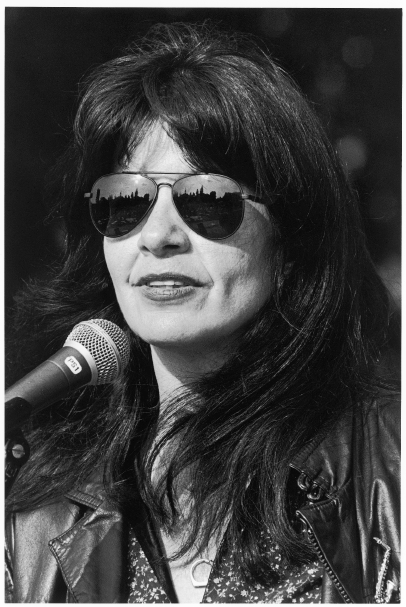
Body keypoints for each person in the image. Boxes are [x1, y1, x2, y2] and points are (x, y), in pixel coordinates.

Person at [5, 22, 400, 603]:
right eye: (125, 201)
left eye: (207, 200)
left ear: (291, 236)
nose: (158, 235)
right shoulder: (34, 518)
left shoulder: (390, 469)